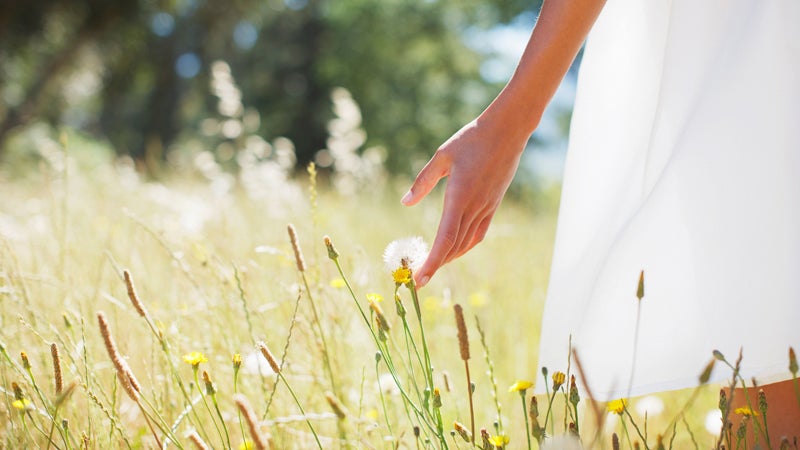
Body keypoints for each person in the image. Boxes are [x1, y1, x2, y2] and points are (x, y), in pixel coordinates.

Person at [402, 0, 800, 442]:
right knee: (775, 363)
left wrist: (508, 124)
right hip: (750, 55)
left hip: (752, 57)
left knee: (773, 368)